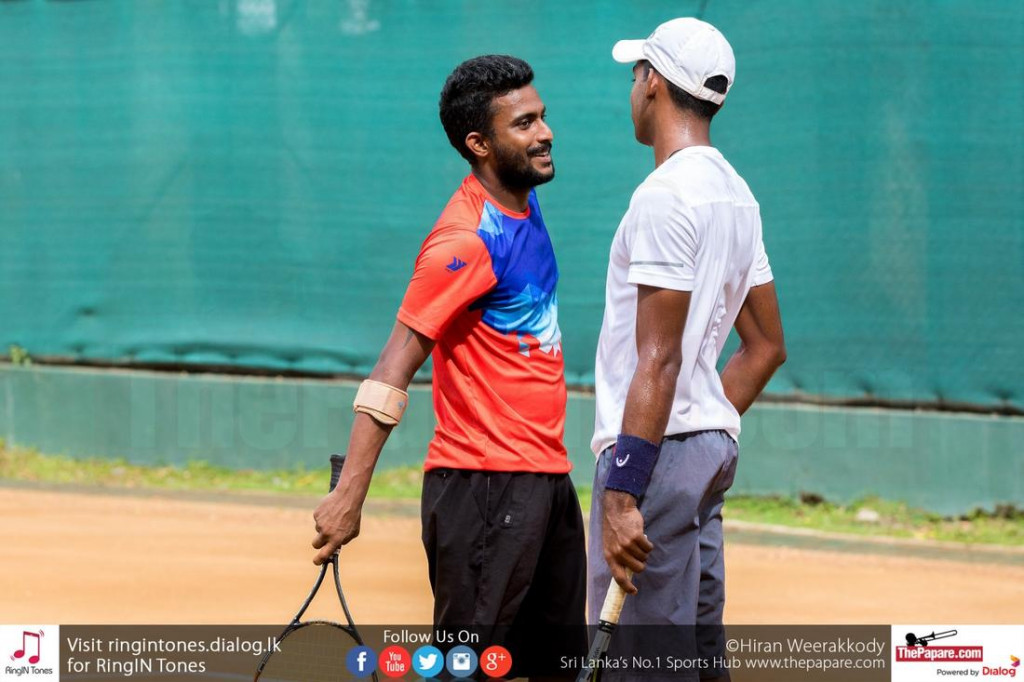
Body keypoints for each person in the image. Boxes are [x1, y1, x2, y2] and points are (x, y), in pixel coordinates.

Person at [311, 54, 586, 677]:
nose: (544, 132)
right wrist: (349, 496)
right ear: (479, 144)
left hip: (546, 478)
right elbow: (392, 367)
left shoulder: (522, 200)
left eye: (542, 116)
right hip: (484, 486)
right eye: (524, 124)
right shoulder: (464, 240)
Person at [590, 18, 787, 680]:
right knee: (699, 656)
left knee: (640, 664)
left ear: (655, 85)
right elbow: (766, 348)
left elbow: (659, 359)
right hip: (703, 451)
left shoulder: (664, 196)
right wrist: (704, 421)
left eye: (636, 74)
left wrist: (623, 493)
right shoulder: (739, 197)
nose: (633, 88)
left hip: (653, 456)